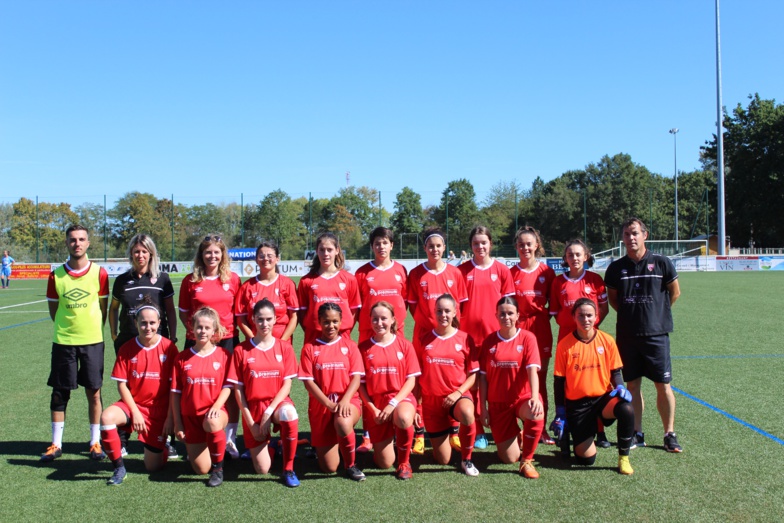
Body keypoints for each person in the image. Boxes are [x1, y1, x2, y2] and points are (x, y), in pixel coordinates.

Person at [604, 217, 682, 452]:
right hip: (628, 335)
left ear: (645, 235)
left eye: (635, 233)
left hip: (656, 335)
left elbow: (674, 293)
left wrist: (656, 314)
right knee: (632, 386)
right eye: (627, 234)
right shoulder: (616, 267)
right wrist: (633, 315)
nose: (631, 238)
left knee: (663, 385)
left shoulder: (661, 263)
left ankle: (669, 433)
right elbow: (614, 300)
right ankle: (637, 432)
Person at [41, 225, 110, 462]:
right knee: (60, 393)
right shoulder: (55, 275)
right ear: (67, 243)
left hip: (92, 341)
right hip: (63, 341)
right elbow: (53, 309)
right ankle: (56, 444)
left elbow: (103, 308)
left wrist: (90, 328)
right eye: (73, 240)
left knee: (94, 392)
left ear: (88, 243)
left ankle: (95, 442)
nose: (77, 243)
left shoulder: (99, 273)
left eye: (81, 239)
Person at [551, 298, 635, 475]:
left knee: (626, 409)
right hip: (578, 405)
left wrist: (620, 387)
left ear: (596, 317)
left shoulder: (607, 340)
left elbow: (616, 372)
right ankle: (570, 434)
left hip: (602, 399)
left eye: (589, 315)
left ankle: (623, 458)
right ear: (574, 317)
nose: (585, 320)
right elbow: (559, 381)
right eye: (581, 315)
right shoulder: (564, 345)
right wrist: (560, 412)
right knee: (586, 460)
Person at [100, 301, 179, 485]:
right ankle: (119, 468)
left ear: (159, 323)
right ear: (136, 323)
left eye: (152, 323)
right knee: (106, 418)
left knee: (153, 467)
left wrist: (170, 418)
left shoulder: (169, 348)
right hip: (133, 405)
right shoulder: (127, 348)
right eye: (143, 323)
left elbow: (174, 389)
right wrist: (135, 412)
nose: (148, 327)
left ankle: (162, 447)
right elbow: (122, 385)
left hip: (158, 412)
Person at [178, 234, 242, 458]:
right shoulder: (191, 280)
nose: (212, 256)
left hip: (227, 340)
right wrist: (198, 335)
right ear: (201, 255)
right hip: (198, 341)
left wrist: (221, 333)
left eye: (216, 252)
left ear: (223, 254)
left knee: (231, 389)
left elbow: (237, 313)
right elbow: (184, 312)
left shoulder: (233, 279)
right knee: (192, 386)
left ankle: (230, 439)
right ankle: (194, 435)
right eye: (208, 252)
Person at [406, 228, 468, 453]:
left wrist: (451, 329)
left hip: (450, 336)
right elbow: (412, 306)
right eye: (430, 246)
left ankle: (453, 430)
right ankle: (420, 432)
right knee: (421, 382)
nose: (434, 249)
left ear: (444, 248)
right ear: (425, 248)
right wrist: (428, 326)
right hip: (424, 336)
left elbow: (461, 305)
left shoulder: (455, 273)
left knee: (451, 377)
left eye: (438, 246)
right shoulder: (416, 274)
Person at [227, 299, 301, 488]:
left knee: (289, 413)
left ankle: (289, 469)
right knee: (262, 469)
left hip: (276, 404)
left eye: (269, 319)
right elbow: (238, 391)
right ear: (253, 319)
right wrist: (251, 423)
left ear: (276, 319)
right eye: (260, 319)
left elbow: (287, 385)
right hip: (253, 408)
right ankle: (275, 445)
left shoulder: (284, 347)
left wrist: (269, 412)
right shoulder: (241, 350)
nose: (264, 324)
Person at [549, 238, 611, 447]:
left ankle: (600, 431)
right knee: (568, 383)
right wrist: (569, 326)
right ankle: (565, 427)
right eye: (570, 255)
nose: (574, 258)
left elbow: (604, 309)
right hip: (566, 341)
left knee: (597, 384)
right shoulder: (558, 282)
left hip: (592, 340)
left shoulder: (595, 280)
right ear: (565, 259)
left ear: (586, 256)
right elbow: (555, 312)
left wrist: (589, 327)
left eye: (578, 254)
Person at [458, 225, 514, 450]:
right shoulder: (462, 271)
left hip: (495, 338)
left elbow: (508, 307)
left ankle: (500, 425)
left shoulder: (502, 270)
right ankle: (477, 428)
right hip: (468, 338)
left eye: (484, 242)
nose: (480, 246)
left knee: (494, 384)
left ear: (490, 244)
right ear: (470, 246)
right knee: (471, 384)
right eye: (475, 243)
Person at [354, 227, 408, 453]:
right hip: (369, 336)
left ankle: (399, 427)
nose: (381, 247)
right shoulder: (362, 273)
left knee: (397, 382)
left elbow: (404, 301)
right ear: (372, 246)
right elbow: (357, 307)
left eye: (385, 242)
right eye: (377, 243)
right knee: (369, 385)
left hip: (397, 337)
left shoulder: (401, 270)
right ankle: (367, 434)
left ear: (392, 245)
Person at [298, 303, 366, 481]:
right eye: (326, 322)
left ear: (341, 321)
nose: (331, 326)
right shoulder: (309, 348)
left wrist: (345, 401)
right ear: (319, 322)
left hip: (347, 402)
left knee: (343, 422)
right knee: (328, 468)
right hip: (322, 406)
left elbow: (356, 378)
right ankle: (340, 443)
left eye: (335, 321)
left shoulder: (350, 346)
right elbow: (308, 382)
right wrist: (328, 404)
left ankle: (351, 465)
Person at [478, 296, 545, 479]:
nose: (506, 317)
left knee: (536, 412)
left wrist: (534, 396)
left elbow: (533, 370)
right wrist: (482, 407)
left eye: (510, 313)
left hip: (522, 398)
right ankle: (520, 435)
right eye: (502, 313)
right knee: (508, 458)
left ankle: (527, 460)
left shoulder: (527, 338)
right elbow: (482, 378)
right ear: (496, 315)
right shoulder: (489, 341)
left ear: (517, 316)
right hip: (498, 404)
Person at [415, 294, 479, 477]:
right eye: (439, 311)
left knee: (467, 413)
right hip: (431, 403)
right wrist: (417, 406)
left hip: (457, 397)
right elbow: (417, 375)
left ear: (455, 313)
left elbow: (473, 374)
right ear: (434, 313)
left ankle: (467, 459)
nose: (443, 314)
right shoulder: (424, 339)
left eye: (447, 311)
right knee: (442, 459)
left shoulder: (465, 338)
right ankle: (449, 438)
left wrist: (458, 392)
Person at [171, 307, 233, 487]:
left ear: (214, 330)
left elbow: (228, 386)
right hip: (191, 419)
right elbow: (175, 394)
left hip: (215, 412)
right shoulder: (182, 358)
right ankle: (216, 450)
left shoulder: (223, 355)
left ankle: (218, 469)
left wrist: (216, 406)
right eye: (199, 327)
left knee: (212, 422)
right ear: (192, 328)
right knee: (200, 469)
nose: (202, 331)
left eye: (207, 328)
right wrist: (178, 424)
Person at [358, 302, 420, 480]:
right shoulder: (363, 348)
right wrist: (373, 410)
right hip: (377, 404)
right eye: (375, 319)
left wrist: (393, 404)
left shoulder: (404, 345)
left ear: (393, 320)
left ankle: (404, 462)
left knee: (402, 417)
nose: (379, 323)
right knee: (383, 463)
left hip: (401, 398)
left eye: (384, 318)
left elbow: (411, 380)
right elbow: (360, 385)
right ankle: (394, 442)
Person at [510, 226, 556, 444]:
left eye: (529, 243)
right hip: (517, 330)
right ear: (516, 247)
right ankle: (517, 426)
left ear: (536, 245)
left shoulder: (547, 273)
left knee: (539, 378)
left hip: (540, 329)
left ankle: (541, 427)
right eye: (521, 244)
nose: (525, 247)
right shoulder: (510, 274)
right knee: (517, 378)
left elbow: (554, 307)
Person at [109, 234, 177, 353]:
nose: (140, 255)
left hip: (157, 340)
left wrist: (172, 336)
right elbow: (114, 308)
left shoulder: (162, 279)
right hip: (127, 340)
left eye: (144, 251)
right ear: (131, 253)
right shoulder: (121, 280)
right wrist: (114, 333)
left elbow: (170, 310)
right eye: (136, 252)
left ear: (151, 254)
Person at [297, 232, 361, 343]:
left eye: (329, 250)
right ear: (317, 251)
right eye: (321, 250)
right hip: (314, 335)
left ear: (337, 250)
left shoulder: (349, 279)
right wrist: (313, 327)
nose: (325, 254)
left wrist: (345, 327)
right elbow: (302, 313)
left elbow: (354, 310)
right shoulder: (306, 281)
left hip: (342, 335)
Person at [235, 240, 299, 345]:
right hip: (255, 345)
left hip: (282, 344)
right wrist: (254, 340)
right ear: (256, 259)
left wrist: (281, 342)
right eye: (261, 256)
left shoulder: (287, 284)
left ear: (277, 259)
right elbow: (241, 319)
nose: (265, 259)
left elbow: (294, 317)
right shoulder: (247, 287)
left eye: (270, 255)